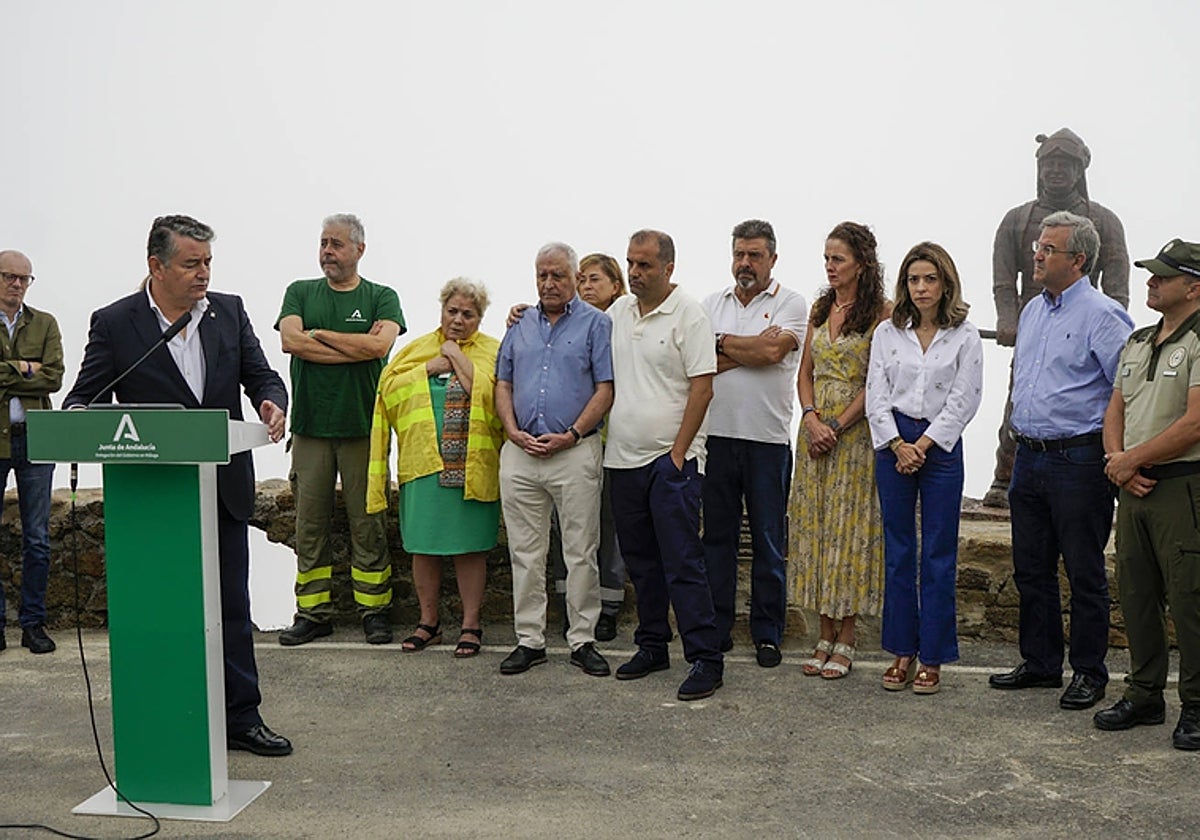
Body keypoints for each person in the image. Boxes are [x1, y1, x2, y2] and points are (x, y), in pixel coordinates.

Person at [64, 215, 292, 756]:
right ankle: (170, 716)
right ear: (157, 266)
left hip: (222, 488)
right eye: (191, 264)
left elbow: (261, 375)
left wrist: (271, 401)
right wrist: (78, 421)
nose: (203, 273)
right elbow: (84, 398)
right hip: (152, 497)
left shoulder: (228, 311)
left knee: (231, 608)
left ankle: (241, 718)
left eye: (208, 262)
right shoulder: (115, 323)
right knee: (162, 614)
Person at [988, 211, 1133, 712]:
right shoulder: (1033, 311)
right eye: (1038, 247)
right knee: (1031, 569)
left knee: (1084, 572)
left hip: (1079, 460)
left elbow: (1124, 390)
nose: (1037, 255)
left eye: (1048, 249)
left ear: (1078, 260)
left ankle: (1090, 673)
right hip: (1028, 457)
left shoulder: (1103, 315)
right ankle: (1041, 663)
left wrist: (1119, 455)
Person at [605, 229, 724, 701]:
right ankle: (652, 645)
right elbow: (574, 324)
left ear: (668, 268)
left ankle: (706, 659)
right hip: (623, 460)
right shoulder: (618, 312)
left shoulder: (689, 314)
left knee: (683, 562)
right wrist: (523, 312)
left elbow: (703, 388)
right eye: (630, 263)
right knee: (641, 564)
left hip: (670, 463)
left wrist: (677, 455)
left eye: (645, 265)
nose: (634, 272)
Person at [275, 214, 404, 647]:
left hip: (363, 428)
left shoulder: (381, 297)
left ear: (359, 250)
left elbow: (379, 347)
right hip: (310, 428)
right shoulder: (300, 291)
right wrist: (354, 346)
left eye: (336, 244)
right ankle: (313, 613)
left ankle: (375, 611)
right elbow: (290, 341)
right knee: (310, 523)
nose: (327, 251)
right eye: (323, 243)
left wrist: (319, 336)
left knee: (368, 522)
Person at [985, 128, 1130, 507]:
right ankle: (1005, 475)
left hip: (1083, 329)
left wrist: (1108, 328)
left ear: (1080, 169)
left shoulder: (1104, 221)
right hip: (1033, 323)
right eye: (1049, 163)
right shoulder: (1017, 220)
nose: (1055, 171)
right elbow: (1003, 279)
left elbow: (1117, 288)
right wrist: (1008, 319)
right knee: (1021, 399)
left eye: (1065, 164)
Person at [1094, 238, 1200, 750]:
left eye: (1164, 276)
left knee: (1190, 598)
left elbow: (1195, 423)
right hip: (1133, 485)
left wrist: (1131, 460)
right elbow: (1115, 408)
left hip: (1182, 487)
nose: (1152, 282)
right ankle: (1144, 694)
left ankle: (1196, 705)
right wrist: (1119, 463)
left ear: (1194, 287)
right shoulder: (1137, 340)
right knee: (1136, 594)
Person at [866, 242, 983, 694]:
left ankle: (932, 656)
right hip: (893, 443)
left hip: (941, 447)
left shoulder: (965, 335)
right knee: (898, 551)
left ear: (945, 283)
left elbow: (966, 397)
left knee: (938, 552)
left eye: (930, 279)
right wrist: (898, 444)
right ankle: (901, 650)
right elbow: (875, 392)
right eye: (914, 280)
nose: (921, 288)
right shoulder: (888, 333)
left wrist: (925, 444)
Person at [367, 278, 504, 658]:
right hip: (423, 465)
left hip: (473, 466)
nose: (458, 319)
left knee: (470, 549)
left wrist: (456, 357)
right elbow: (387, 392)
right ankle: (428, 623)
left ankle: (471, 624)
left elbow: (496, 397)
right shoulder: (416, 350)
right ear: (442, 310)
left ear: (480, 317)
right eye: (452, 311)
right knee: (423, 547)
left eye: (468, 314)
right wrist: (430, 367)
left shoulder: (494, 352)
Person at [494, 243, 614, 677]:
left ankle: (582, 639)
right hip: (522, 453)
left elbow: (605, 388)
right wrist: (511, 430)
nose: (548, 283)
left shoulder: (596, 324)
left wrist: (573, 434)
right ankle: (529, 640)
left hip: (574, 452)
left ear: (575, 278)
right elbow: (503, 382)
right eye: (542, 275)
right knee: (525, 551)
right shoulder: (520, 323)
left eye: (557, 275)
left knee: (581, 550)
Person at [701, 220, 807, 668]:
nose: (745, 263)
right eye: (739, 254)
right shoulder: (711, 304)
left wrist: (724, 345)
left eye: (755, 255)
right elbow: (701, 361)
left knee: (768, 540)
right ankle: (717, 627)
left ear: (772, 259)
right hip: (716, 437)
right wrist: (743, 348)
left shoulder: (791, 302)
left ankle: (767, 633)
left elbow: (772, 353)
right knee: (717, 539)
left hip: (767, 440)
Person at [789, 221, 888, 680]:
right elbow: (804, 373)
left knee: (848, 533)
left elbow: (877, 382)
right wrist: (811, 418)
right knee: (816, 528)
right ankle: (822, 633)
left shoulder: (881, 314)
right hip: (813, 432)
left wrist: (836, 425)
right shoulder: (820, 308)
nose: (830, 267)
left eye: (838, 259)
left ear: (861, 264)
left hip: (854, 434)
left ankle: (846, 635)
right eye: (827, 258)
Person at [546, 253, 628, 642]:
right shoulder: (565, 324)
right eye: (582, 280)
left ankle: (608, 607)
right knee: (566, 528)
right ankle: (571, 604)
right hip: (572, 442)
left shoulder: (626, 325)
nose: (586, 286)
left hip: (617, 442)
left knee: (609, 528)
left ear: (616, 286)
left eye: (595, 279)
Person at [0, 250, 63, 655]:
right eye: (9, 276)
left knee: (37, 538)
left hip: (37, 439)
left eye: (24, 278)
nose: (17, 284)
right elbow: (39, 374)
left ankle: (33, 624)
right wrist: (25, 368)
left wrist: (8, 371)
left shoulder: (45, 323)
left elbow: (54, 377)